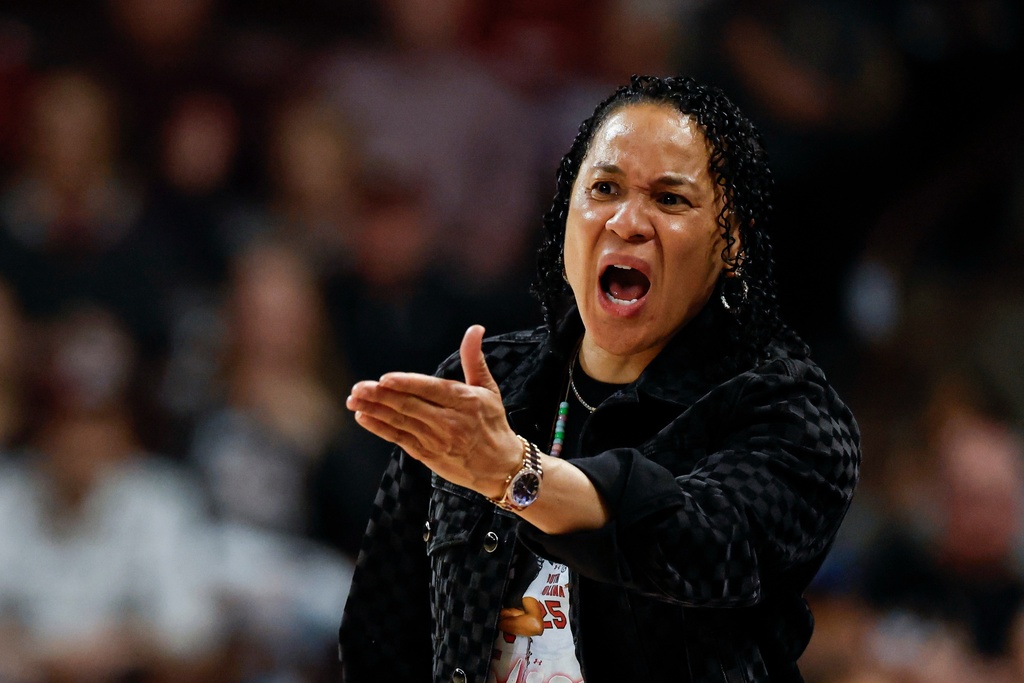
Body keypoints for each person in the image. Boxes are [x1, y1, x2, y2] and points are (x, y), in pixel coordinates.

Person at [338, 74, 862, 683]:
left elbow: (705, 544)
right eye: (604, 188)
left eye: (670, 199)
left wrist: (516, 477)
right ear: (567, 219)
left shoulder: (790, 411)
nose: (627, 221)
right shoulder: (485, 389)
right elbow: (378, 633)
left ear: (733, 243)